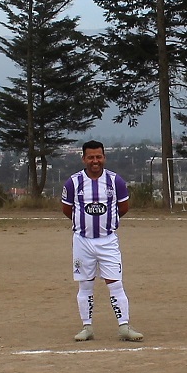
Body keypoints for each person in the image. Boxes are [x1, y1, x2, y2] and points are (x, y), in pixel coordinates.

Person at [62, 141, 142, 343]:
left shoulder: (116, 181)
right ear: (83, 159)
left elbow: (123, 208)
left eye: (98, 157)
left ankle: (124, 326)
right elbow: (67, 210)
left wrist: (107, 223)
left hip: (108, 241)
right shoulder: (73, 182)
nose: (95, 161)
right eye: (91, 157)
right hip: (82, 241)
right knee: (85, 285)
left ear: (104, 157)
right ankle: (86, 326)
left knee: (115, 283)